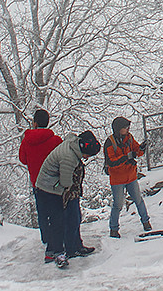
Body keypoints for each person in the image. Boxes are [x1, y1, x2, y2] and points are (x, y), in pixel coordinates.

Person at [35, 130, 100, 269]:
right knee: (58, 220)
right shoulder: (69, 157)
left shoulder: (72, 145)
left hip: (51, 186)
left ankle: (73, 247)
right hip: (48, 189)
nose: (86, 158)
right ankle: (55, 252)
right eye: (87, 155)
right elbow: (65, 182)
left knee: (71, 217)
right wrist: (72, 190)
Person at [17, 109, 62, 259]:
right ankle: (56, 241)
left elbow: (23, 159)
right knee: (56, 212)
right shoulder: (55, 140)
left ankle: (45, 238)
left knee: (42, 212)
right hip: (54, 183)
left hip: (36, 182)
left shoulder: (26, 140)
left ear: (35, 123)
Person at [103, 116, 151, 237]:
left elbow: (136, 151)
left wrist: (141, 148)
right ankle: (114, 229)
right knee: (118, 205)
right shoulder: (110, 142)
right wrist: (126, 158)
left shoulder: (129, 138)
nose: (127, 129)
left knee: (138, 200)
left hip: (131, 176)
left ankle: (146, 222)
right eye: (125, 127)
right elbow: (111, 162)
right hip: (117, 179)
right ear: (118, 129)